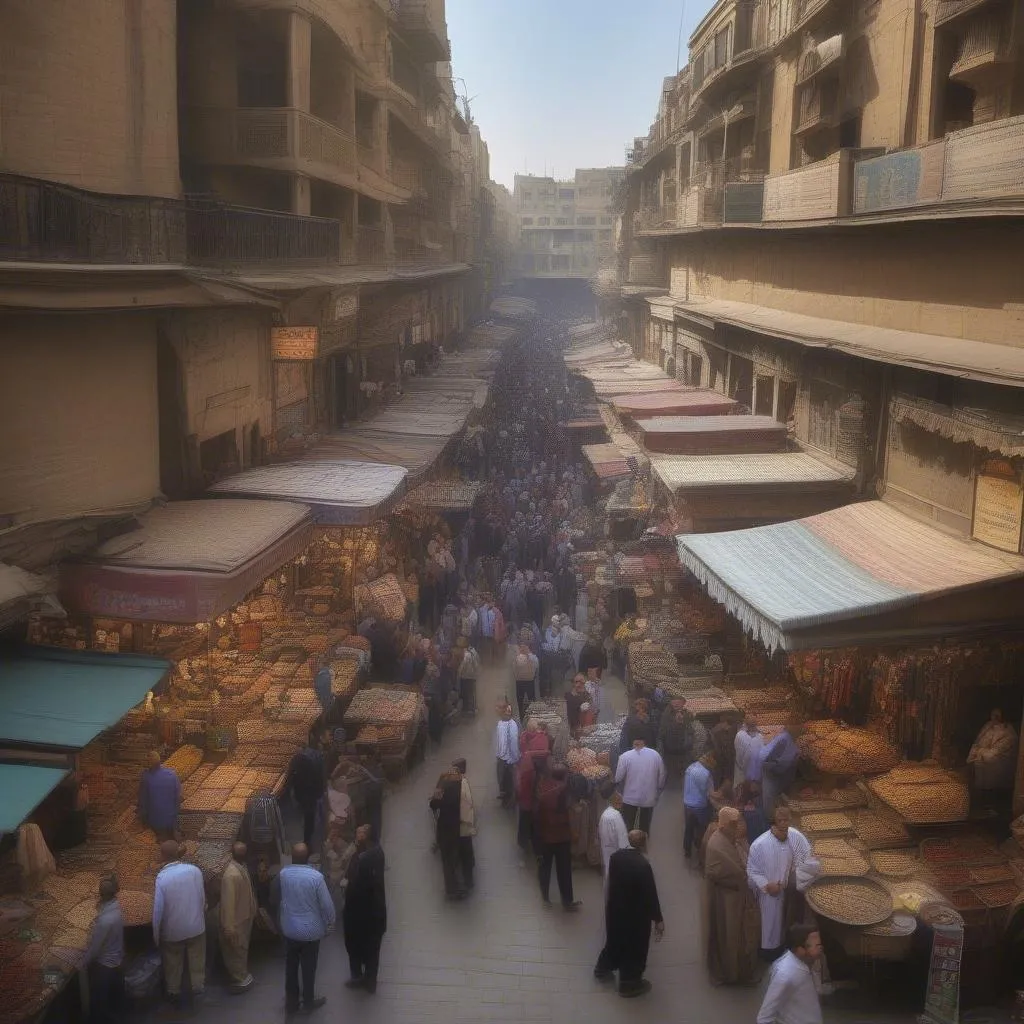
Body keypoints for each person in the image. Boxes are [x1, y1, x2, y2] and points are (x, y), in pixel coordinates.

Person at [594, 830, 664, 998]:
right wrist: (658, 919)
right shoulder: (643, 865)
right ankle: (629, 983)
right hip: (636, 916)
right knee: (635, 948)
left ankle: (602, 968)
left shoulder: (616, 857)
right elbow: (650, 894)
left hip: (616, 911)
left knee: (614, 941)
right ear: (643, 844)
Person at [271, 842, 334, 1015]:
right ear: (308, 858)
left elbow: (274, 896)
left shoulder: (283, 875)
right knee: (309, 967)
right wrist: (330, 922)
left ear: (292, 857)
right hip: (311, 932)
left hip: (289, 929)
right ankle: (308, 1001)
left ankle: (291, 1003)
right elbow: (327, 905)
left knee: (291, 967)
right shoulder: (316, 878)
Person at [704, 807, 760, 987]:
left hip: (739, 897)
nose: (738, 827)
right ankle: (732, 973)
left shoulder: (732, 840)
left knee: (742, 935)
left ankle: (742, 971)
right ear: (725, 825)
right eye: (734, 824)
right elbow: (716, 871)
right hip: (726, 900)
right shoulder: (717, 844)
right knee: (730, 935)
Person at [747, 807, 807, 961]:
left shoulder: (794, 839)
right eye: (780, 821)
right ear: (773, 823)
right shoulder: (759, 845)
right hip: (768, 897)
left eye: (786, 820)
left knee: (783, 927)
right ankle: (767, 956)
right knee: (769, 928)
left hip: (787, 894)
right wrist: (767, 885)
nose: (784, 824)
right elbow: (752, 871)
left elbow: (802, 859)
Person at [153, 840, 206, 1007]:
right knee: (197, 958)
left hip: (172, 931)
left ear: (162, 856)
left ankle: (173, 990)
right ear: (179, 852)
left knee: (172, 962)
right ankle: (197, 986)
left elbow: (158, 911)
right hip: (196, 927)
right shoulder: (195, 871)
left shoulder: (162, 878)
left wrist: (156, 935)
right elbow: (202, 898)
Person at [342, 824, 387, 994]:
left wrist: (347, 886)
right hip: (374, 912)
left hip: (361, 912)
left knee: (359, 945)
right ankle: (369, 980)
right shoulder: (376, 852)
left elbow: (355, 885)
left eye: (361, 831)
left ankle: (360, 977)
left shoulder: (365, 858)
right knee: (372, 949)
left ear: (366, 836)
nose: (357, 832)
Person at [756, 924, 824, 1024]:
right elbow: (764, 1018)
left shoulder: (810, 963)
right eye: (816, 946)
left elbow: (818, 990)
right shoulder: (785, 974)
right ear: (800, 949)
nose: (820, 949)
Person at [534, 765, 581, 909]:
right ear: (564, 776)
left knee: (544, 868)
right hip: (562, 838)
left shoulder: (543, 789)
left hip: (546, 838)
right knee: (564, 870)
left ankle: (545, 898)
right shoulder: (565, 791)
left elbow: (537, 818)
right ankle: (567, 901)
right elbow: (572, 813)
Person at [83, 874, 124, 1024]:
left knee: (99, 1001)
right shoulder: (116, 907)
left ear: (102, 894)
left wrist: (83, 962)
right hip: (117, 959)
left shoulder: (105, 921)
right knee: (114, 998)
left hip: (105, 965)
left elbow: (95, 948)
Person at [219, 842, 257, 993]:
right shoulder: (242, 868)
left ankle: (240, 979)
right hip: (245, 915)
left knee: (234, 951)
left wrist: (228, 927)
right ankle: (243, 975)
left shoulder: (230, 875)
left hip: (235, 920)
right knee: (241, 948)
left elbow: (228, 903)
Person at [614, 737, 667, 835]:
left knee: (628, 825)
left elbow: (618, 778)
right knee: (645, 827)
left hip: (630, 797)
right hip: (649, 797)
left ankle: (630, 846)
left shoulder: (625, 756)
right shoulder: (656, 755)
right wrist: (658, 788)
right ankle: (643, 845)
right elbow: (662, 775)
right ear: (644, 742)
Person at [430, 764, 467, 899]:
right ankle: (453, 888)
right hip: (456, 828)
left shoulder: (444, 789)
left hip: (445, 828)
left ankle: (451, 889)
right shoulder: (462, 788)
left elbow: (433, 805)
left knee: (447, 861)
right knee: (452, 859)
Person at [968, 708, 1019, 796]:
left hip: (1000, 760)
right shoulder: (988, 726)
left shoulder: (1009, 733)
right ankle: (979, 793)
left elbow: (996, 751)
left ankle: (989, 794)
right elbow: (978, 742)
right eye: (993, 715)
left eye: (997, 716)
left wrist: (980, 752)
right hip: (984, 755)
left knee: (988, 763)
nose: (994, 718)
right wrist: (976, 750)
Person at [287, 743, 326, 849]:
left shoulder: (298, 759)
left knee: (303, 818)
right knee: (310, 818)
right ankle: (308, 842)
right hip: (313, 793)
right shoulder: (317, 755)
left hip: (304, 793)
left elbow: (291, 777)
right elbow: (321, 774)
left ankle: (303, 845)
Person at [759, 722, 800, 820]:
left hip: (774, 773)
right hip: (773, 774)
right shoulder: (785, 739)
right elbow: (782, 765)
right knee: (770, 804)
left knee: (771, 801)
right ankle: (772, 821)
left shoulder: (785, 738)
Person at [137, 751, 181, 841]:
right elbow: (178, 797)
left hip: (156, 821)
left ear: (148, 764)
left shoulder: (146, 777)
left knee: (161, 842)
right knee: (171, 840)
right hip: (172, 818)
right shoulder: (172, 774)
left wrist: (142, 818)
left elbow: (143, 802)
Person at [683, 753, 717, 861]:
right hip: (700, 805)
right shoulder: (706, 774)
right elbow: (710, 793)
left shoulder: (690, 767)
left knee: (688, 828)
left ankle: (687, 850)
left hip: (688, 803)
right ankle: (700, 850)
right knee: (701, 829)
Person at [598, 785, 630, 896]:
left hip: (608, 854)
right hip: (618, 857)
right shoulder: (615, 816)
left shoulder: (605, 815)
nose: (620, 796)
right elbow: (623, 843)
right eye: (617, 793)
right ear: (612, 797)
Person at [454, 758, 476, 892]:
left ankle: (467, 881)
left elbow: (464, 806)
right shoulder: (464, 782)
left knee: (464, 854)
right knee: (467, 853)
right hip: (466, 825)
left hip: (462, 826)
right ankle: (469, 878)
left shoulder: (459, 785)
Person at [494, 705, 520, 809]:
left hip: (509, 759)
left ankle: (510, 799)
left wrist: (515, 757)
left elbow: (513, 742)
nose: (506, 713)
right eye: (505, 711)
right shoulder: (500, 724)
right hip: (501, 757)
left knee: (509, 779)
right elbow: (497, 740)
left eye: (509, 711)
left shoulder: (512, 725)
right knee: (502, 778)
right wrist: (498, 753)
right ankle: (504, 794)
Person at [734, 716, 765, 791]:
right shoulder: (740, 735)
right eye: (751, 725)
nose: (753, 727)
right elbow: (740, 757)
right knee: (741, 793)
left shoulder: (759, 737)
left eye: (754, 724)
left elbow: (762, 754)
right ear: (746, 724)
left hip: (756, 776)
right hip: (742, 773)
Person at [511, 642, 540, 721]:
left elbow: (513, 669)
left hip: (521, 682)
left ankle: (525, 718)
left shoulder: (517, 657)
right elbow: (536, 668)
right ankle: (530, 718)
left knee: (523, 701)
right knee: (529, 701)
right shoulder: (533, 657)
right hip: (528, 681)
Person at [456, 637, 480, 716]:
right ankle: (473, 708)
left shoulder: (466, 655)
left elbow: (462, 667)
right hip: (473, 675)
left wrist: (458, 674)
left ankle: (467, 709)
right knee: (472, 692)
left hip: (466, 677)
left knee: (466, 693)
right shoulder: (473, 651)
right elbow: (478, 660)